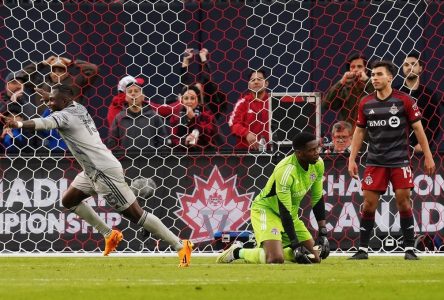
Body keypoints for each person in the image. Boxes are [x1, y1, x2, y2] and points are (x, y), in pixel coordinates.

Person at [0, 84, 193, 267]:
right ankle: (109, 234)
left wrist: (17, 122)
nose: (49, 103)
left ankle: (180, 245)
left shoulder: (65, 116)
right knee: (69, 200)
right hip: (92, 170)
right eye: (49, 100)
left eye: (53, 100)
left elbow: (44, 123)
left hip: (103, 172)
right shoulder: (78, 107)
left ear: (65, 100)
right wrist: (49, 98)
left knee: (137, 216)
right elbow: (55, 107)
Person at [348, 61, 436, 260]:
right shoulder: (365, 103)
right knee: (369, 205)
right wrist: (352, 159)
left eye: (379, 74)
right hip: (375, 161)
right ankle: (362, 249)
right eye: (373, 75)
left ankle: (409, 249)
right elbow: (359, 132)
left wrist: (428, 156)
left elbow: (418, 129)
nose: (375, 78)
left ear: (390, 78)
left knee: (404, 203)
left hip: (399, 160)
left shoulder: (404, 100)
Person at [216, 132, 329, 264]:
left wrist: (323, 232)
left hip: (290, 216)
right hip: (268, 211)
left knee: (315, 258)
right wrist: (295, 244)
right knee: (275, 259)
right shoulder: (286, 171)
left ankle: (277, 249)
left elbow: (317, 198)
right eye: (311, 150)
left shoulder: (318, 164)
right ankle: (237, 252)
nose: (317, 153)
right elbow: (284, 210)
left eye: (317, 148)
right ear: (299, 153)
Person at [397, 52, 442, 152]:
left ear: (420, 68)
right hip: (398, 150)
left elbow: (434, 123)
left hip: (422, 151)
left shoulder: (429, 95)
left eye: (413, 64)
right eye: (406, 65)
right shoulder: (395, 92)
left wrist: (423, 144)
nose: (409, 67)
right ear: (402, 69)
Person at [107, 80, 168, 152]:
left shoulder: (154, 116)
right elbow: (112, 142)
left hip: (150, 161)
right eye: (130, 92)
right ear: (126, 97)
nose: (133, 94)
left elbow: (163, 140)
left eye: (136, 91)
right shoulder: (119, 117)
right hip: (126, 161)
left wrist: (154, 156)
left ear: (143, 96)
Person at [323, 53, 374, 128]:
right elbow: (326, 104)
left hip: (369, 132)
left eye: (359, 66)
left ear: (366, 70)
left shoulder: (373, 86)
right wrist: (341, 82)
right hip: (349, 134)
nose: (356, 69)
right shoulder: (345, 89)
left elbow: (381, 98)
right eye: (352, 67)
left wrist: (367, 80)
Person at [229, 69, 271, 151]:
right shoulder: (242, 103)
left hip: (272, 152)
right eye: (252, 80)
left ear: (266, 83)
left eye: (259, 79)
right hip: (246, 153)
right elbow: (233, 124)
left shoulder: (273, 101)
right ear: (249, 85)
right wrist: (246, 133)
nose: (256, 82)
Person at [181, 48, 227, 121]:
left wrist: (203, 58)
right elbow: (183, 82)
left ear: (204, 94)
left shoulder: (211, 110)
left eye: (197, 90)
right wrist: (186, 59)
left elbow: (208, 80)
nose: (194, 91)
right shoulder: (187, 107)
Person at [168, 85, 217, 151]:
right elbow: (173, 139)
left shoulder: (207, 114)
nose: (189, 102)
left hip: (204, 154)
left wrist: (194, 118)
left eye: (192, 98)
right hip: (182, 155)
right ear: (182, 100)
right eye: (186, 98)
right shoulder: (176, 116)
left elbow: (208, 134)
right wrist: (184, 141)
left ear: (198, 100)